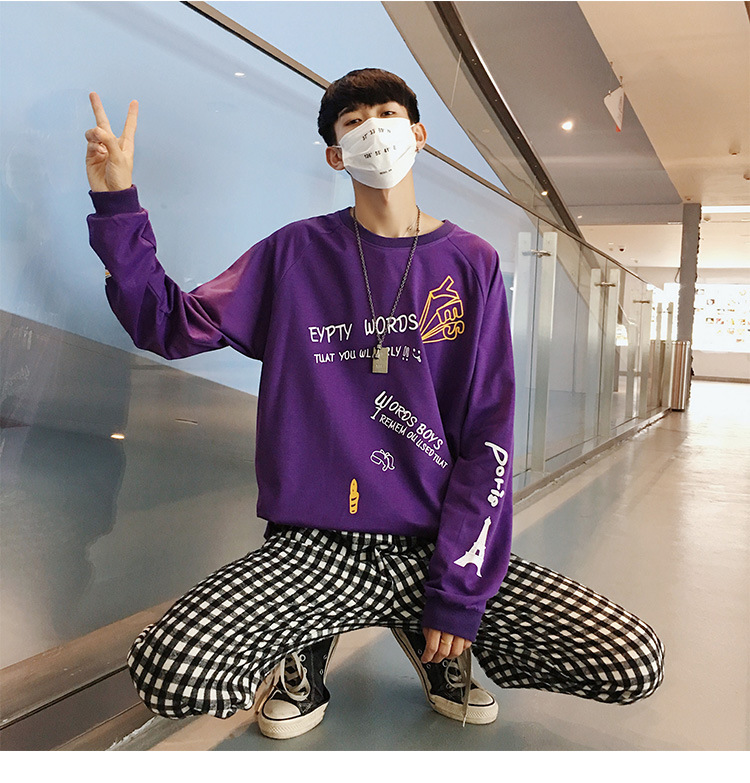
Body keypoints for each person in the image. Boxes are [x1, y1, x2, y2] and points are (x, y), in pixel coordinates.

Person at [84, 68, 664, 741]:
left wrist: (458, 589)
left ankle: (434, 634)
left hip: (432, 542)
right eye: (354, 122)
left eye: (387, 114)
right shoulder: (296, 251)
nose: (374, 130)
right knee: (168, 668)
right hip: (313, 547)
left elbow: (488, 432)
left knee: (630, 658)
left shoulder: (470, 262)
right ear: (336, 154)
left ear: (419, 133)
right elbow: (168, 324)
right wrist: (116, 201)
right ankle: (306, 636)